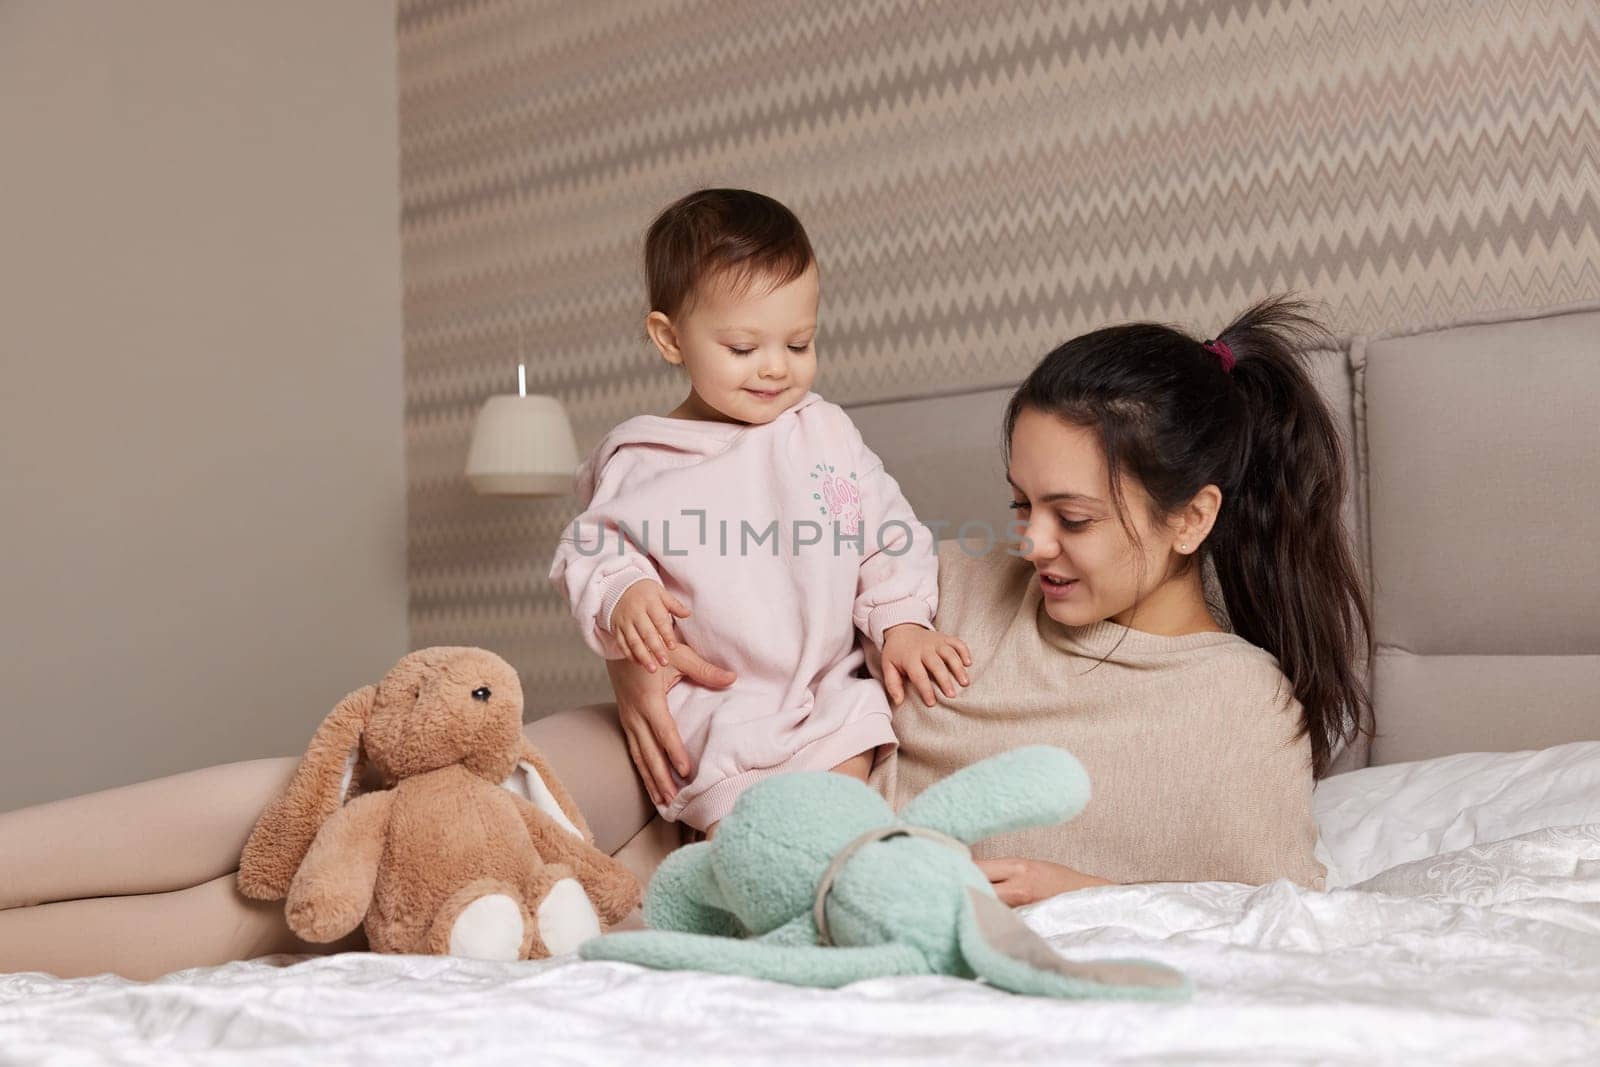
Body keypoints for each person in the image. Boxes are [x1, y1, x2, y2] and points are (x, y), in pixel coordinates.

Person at [0, 296, 1369, 979]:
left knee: (340, 901)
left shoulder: (1236, 708)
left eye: (1071, 515)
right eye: (1019, 503)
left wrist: (1089, 890)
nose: (1030, 545)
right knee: (359, 766)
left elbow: (1285, 922)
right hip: (678, 766)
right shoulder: (947, 577)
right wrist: (632, 658)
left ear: (1192, 516)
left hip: (762, 874)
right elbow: (711, 582)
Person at [549, 188, 970, 833]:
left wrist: (901, 621)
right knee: (756, 844)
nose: (775, 369)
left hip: (827, 688)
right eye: (744, 349)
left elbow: (887, 534)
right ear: (670, 339)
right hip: (718, 705)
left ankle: (846, 878)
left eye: (799, 344)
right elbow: (592, 548)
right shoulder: (645, 458)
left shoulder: (823, 432)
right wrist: (624, 591)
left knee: (842, 825)